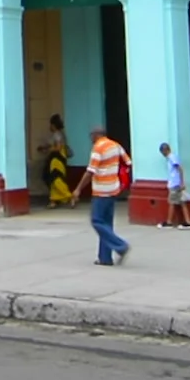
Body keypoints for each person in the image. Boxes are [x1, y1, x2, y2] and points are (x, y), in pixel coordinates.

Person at [71, 126, 132, 266]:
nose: (90, 139)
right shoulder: (116, 145)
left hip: (101, 190)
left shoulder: (98, 148)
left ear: (96, 135)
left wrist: (78, 189)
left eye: (91, 136)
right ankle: (105, 258)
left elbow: (90, 171)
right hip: (113, 189)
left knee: (96, 221)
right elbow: (128, 163)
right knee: (107, 224)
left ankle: (120, 245)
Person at [159, 142, 190, 229]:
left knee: (172, 202)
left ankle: (169, 222)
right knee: (182, 202)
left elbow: (180, 169)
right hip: (175, 183)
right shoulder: (171, 158)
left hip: (175, 184)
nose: (162, 154)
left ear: (165, 150)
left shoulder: (172, 158)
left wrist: (182, 182)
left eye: (162, 152)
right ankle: (188, 222)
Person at [40, 114, 72, 208]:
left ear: (53, 125)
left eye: (50, 125)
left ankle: (69, 196)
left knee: (56, 179)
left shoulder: (57, 134)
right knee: (52, 179)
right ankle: (54, 200)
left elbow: (58, 148)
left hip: (56, 160)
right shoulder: (61, 134)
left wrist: (47, 150)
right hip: (57, 160)